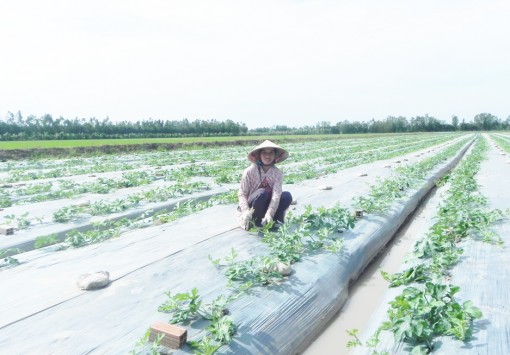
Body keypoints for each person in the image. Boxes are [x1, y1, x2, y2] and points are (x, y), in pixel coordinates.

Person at [237, 140, 293, 230]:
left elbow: (276, 196)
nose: (268, 156)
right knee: (262, 193)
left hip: (267, 207)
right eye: (264, 152)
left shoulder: (277, 173)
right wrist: (245, 211)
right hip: (253, 207)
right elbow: (242, 194)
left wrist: (270, 213)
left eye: (271, 153)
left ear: (275, 156)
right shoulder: (249, 172)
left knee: (287, 196)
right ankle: (254, 220)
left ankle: (272, 219)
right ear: (259, 155)